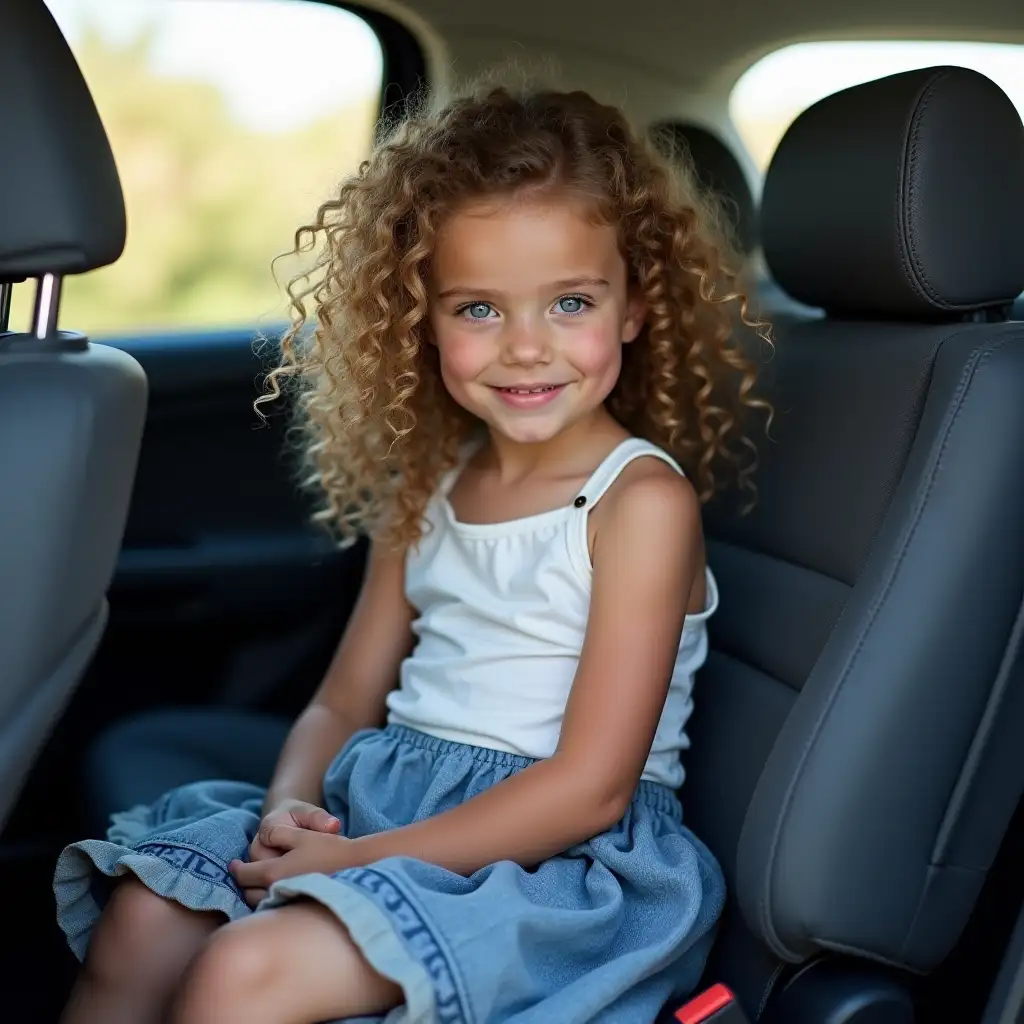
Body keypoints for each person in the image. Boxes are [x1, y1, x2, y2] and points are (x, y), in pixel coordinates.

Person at [53, 84, 771, 1024]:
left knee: (243, 975)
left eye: (569, 302)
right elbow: (344, 700)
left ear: (633, 307)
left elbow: (591, 787)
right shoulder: (430, 486)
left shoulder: (640, 502)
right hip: (385, 803)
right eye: (478, 308)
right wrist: (290, 810)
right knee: (144, 920)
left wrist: (354, 860)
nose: (524, 347)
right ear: (419, 317)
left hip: (547, 862)